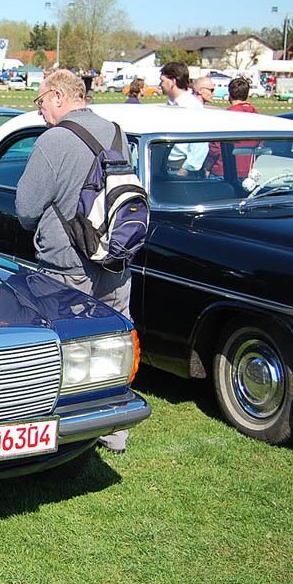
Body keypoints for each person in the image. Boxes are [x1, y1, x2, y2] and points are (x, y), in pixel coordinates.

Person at [14, 69, 133, 453]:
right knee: (112, 344)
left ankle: (64, 430)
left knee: (64, 349)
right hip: (115, 256)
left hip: (67, 262)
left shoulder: (54, 140)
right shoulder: (117, 132)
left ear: (59, 97)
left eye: (41, 101)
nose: (40, 110)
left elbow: (26, 207)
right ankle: (114, 426)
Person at [205, 77, 259, 178]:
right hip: (247, 170)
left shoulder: (226, 116)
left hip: (223, 169)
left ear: (229, 94)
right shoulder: (257, 115)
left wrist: (208, 167)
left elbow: (215, 147)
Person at [160, 61, 207, 176]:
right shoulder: (171, 105)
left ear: (173, 81)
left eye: (163, 80)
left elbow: (201, 144)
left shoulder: (192, 107)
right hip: (167, 166)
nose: (160, 84)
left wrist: (186, 169)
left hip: (183, 170)